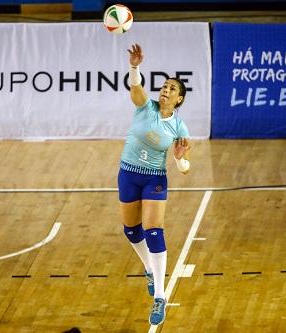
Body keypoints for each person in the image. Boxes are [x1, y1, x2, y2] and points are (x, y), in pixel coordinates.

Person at [118, 44, 191, 326]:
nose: (165, 90)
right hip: (128, 173)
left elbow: (185, 168)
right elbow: (136, 89)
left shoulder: (179, 128)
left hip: (154, 179)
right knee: (131, 229)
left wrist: (179, 159)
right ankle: (148, 267)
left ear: (179, 99)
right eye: (164, 86)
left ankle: (159, 296)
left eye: (172, 89)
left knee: (153, 231)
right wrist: (134, 66)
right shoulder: (144, 107)